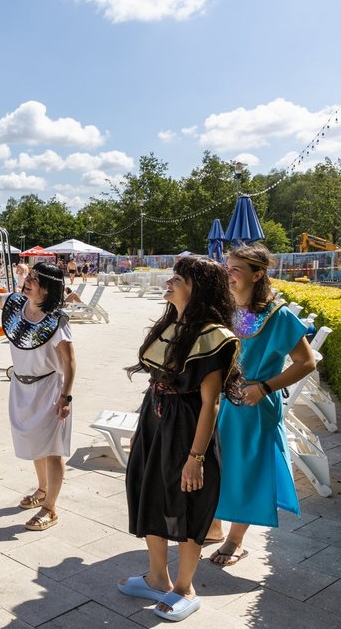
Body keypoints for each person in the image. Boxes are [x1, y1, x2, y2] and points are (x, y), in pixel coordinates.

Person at [119, 256, 242, 622]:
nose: (169, 282)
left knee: (187, 503)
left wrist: (196, 457)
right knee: (147, 489)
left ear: (196, 286)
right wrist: (145, 430)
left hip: (187, 427)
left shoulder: (213, 336)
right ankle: (157, 576)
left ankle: (184, 587)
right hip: (155, 420)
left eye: (178, 277)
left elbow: (211, 404)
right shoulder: (172, 323)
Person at [205, 244, 316, 566]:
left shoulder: (278, 316)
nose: (229, 275)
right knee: (214, 464)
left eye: (236, 269)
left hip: (252, 408)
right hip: (220, 402)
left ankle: (235, 540)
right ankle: (212, 525)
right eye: (227, 268)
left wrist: (265, 387)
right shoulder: (225, 308)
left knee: (246, 470)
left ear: (258, 274)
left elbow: (305, 363)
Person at [0, 258, 76, 532]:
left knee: (52, 449)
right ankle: (42, 489)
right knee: (35, 442)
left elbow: (70, 362)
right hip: (21, 387)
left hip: (49, 390)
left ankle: (51, 508)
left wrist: (66, 397)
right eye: (29, 276)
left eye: (34, 279)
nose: (27, 281)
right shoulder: (15, 303)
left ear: (47, 289)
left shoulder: (57, 321)